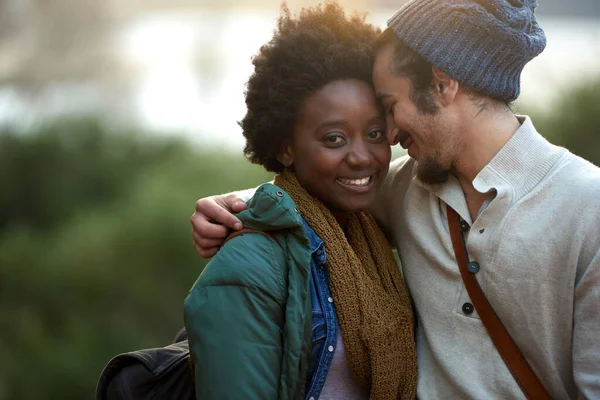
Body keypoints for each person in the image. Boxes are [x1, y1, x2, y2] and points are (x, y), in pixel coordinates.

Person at [190, 0, 600, 398]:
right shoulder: (409, 185)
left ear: (441, 84)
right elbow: (317, 188)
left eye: (389, 107)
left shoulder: (588, 208)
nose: (386, 135)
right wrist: (233, 204)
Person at [184, 3, 418, 400]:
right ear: (287, 148)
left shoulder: (367, 236)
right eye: (334, 139)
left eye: (376, 133)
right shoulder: (249, 268)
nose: (363, 156)